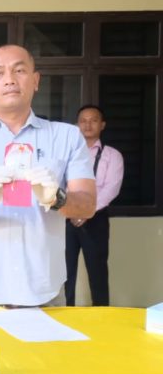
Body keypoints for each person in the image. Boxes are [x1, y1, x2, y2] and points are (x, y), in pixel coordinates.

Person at [0, 44, 97, 309]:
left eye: (20, 70)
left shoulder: (66, 136)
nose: (10, 80)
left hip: (44, 289)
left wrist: (57, 198)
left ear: (35, 81)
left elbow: (87, 205)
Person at [65, 104, 124, 306]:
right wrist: (70, 209)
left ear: (102, 125)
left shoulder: (112, 155)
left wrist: (86, 211)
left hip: (96, 218)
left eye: (93, 120)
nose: (87, 125)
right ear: (76, 125)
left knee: (97, 271)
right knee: (64, 272)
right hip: (66, 217)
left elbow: (111, 189)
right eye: (83, 120)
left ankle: (102, 318)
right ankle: (64, 319)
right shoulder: (67, 154)